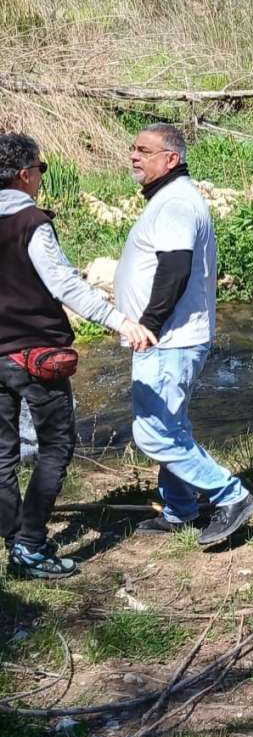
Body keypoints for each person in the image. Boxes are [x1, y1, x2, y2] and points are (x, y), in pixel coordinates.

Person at [0, 132, 154, 580]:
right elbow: (64, 286)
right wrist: (120, 321)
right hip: (35, 357)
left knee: (3, 454)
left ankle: (16, 540)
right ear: (25, 175)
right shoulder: (30, 222)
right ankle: (29, 547)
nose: (41, 179)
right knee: (55, 447)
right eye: (41, 171)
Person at [115, 123, 253, 546]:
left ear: (171, 159)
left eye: (144, 150)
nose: (134, 156)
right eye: (133, 148)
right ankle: (181, 509)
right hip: (170, 338)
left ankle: (230, 496)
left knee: (154, 432)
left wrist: (150, 326)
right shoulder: (170, 199)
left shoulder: (177, 203)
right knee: (170, 425)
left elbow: (175, 268)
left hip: (170, 338)